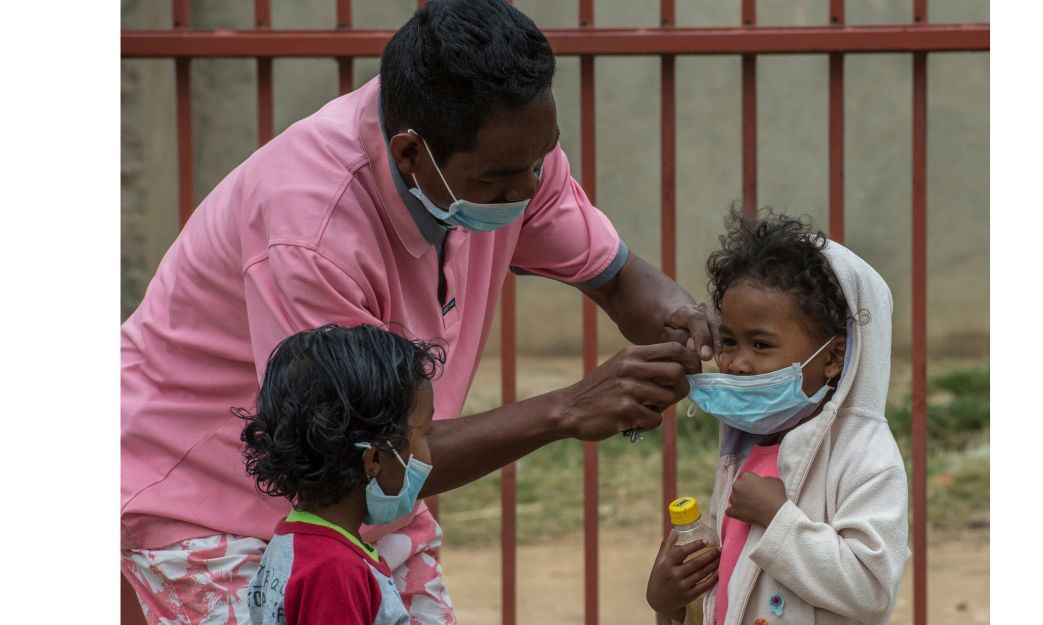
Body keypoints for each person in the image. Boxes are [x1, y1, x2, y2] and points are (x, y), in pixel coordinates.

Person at [120, 1, 714, 623]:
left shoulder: (508, 155)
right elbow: (353, 460)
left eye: (542, 160)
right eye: (503, 179)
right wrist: (567, 408)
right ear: (410, 156)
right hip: (208, 498)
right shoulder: (312, 228)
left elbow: (617, 278)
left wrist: (693, 329)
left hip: (365, 508)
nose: (531, 187)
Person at [646, 210, 910, 625]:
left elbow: (871, 590)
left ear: (834, 357)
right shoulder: (747, 442)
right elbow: (725, 596)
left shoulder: (865, 456)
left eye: (761, 344)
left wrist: (778, 519)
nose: (738, 365)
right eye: (729, 341)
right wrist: (668, 602)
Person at [239, 324, 443, 625]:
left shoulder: (293, 541)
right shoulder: (335, 571)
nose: (429, 453)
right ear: (374, 459)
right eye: (425, 434)